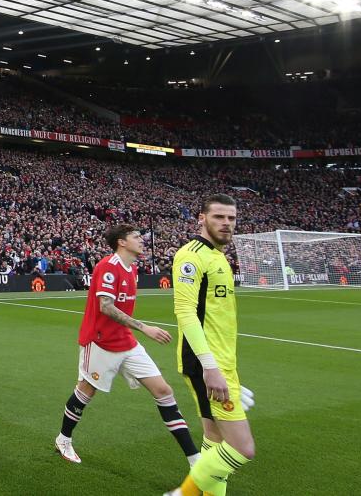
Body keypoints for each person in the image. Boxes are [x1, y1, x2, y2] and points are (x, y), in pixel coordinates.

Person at [53, 224, 199, 467]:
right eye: (136, 237)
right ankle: (63, 439)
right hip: (99, 341)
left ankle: (195, 460)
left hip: (126, 342)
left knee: (163, 391)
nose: (141, 240)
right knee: (86, 391)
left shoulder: (133, 269)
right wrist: (144, 328)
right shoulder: (108, 267)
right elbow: (106, 306)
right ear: (122, 242)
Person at [165, 195, 253, 496]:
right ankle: (184, 493)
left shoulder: (219, 256)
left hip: (222, 362)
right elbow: (186, 313)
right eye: (219, 217)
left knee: (214, 440)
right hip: (207, 365)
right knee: (242, 447)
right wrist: (211, 367)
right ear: (201, 218)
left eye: (231, 218)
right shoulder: (191, 255)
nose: (226, 223)